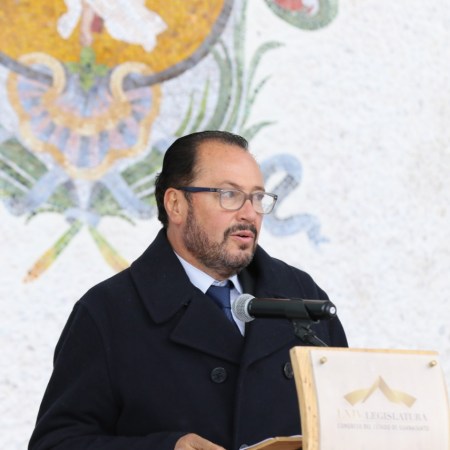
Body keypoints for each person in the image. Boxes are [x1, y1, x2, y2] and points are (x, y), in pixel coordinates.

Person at [29, 131, 347, 450]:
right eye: (229, 195)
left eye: (257, 198)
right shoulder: (109, 311)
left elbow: (348, 418)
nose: (250, 213)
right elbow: (56, 443)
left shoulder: (300, 294)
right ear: (176, 204)